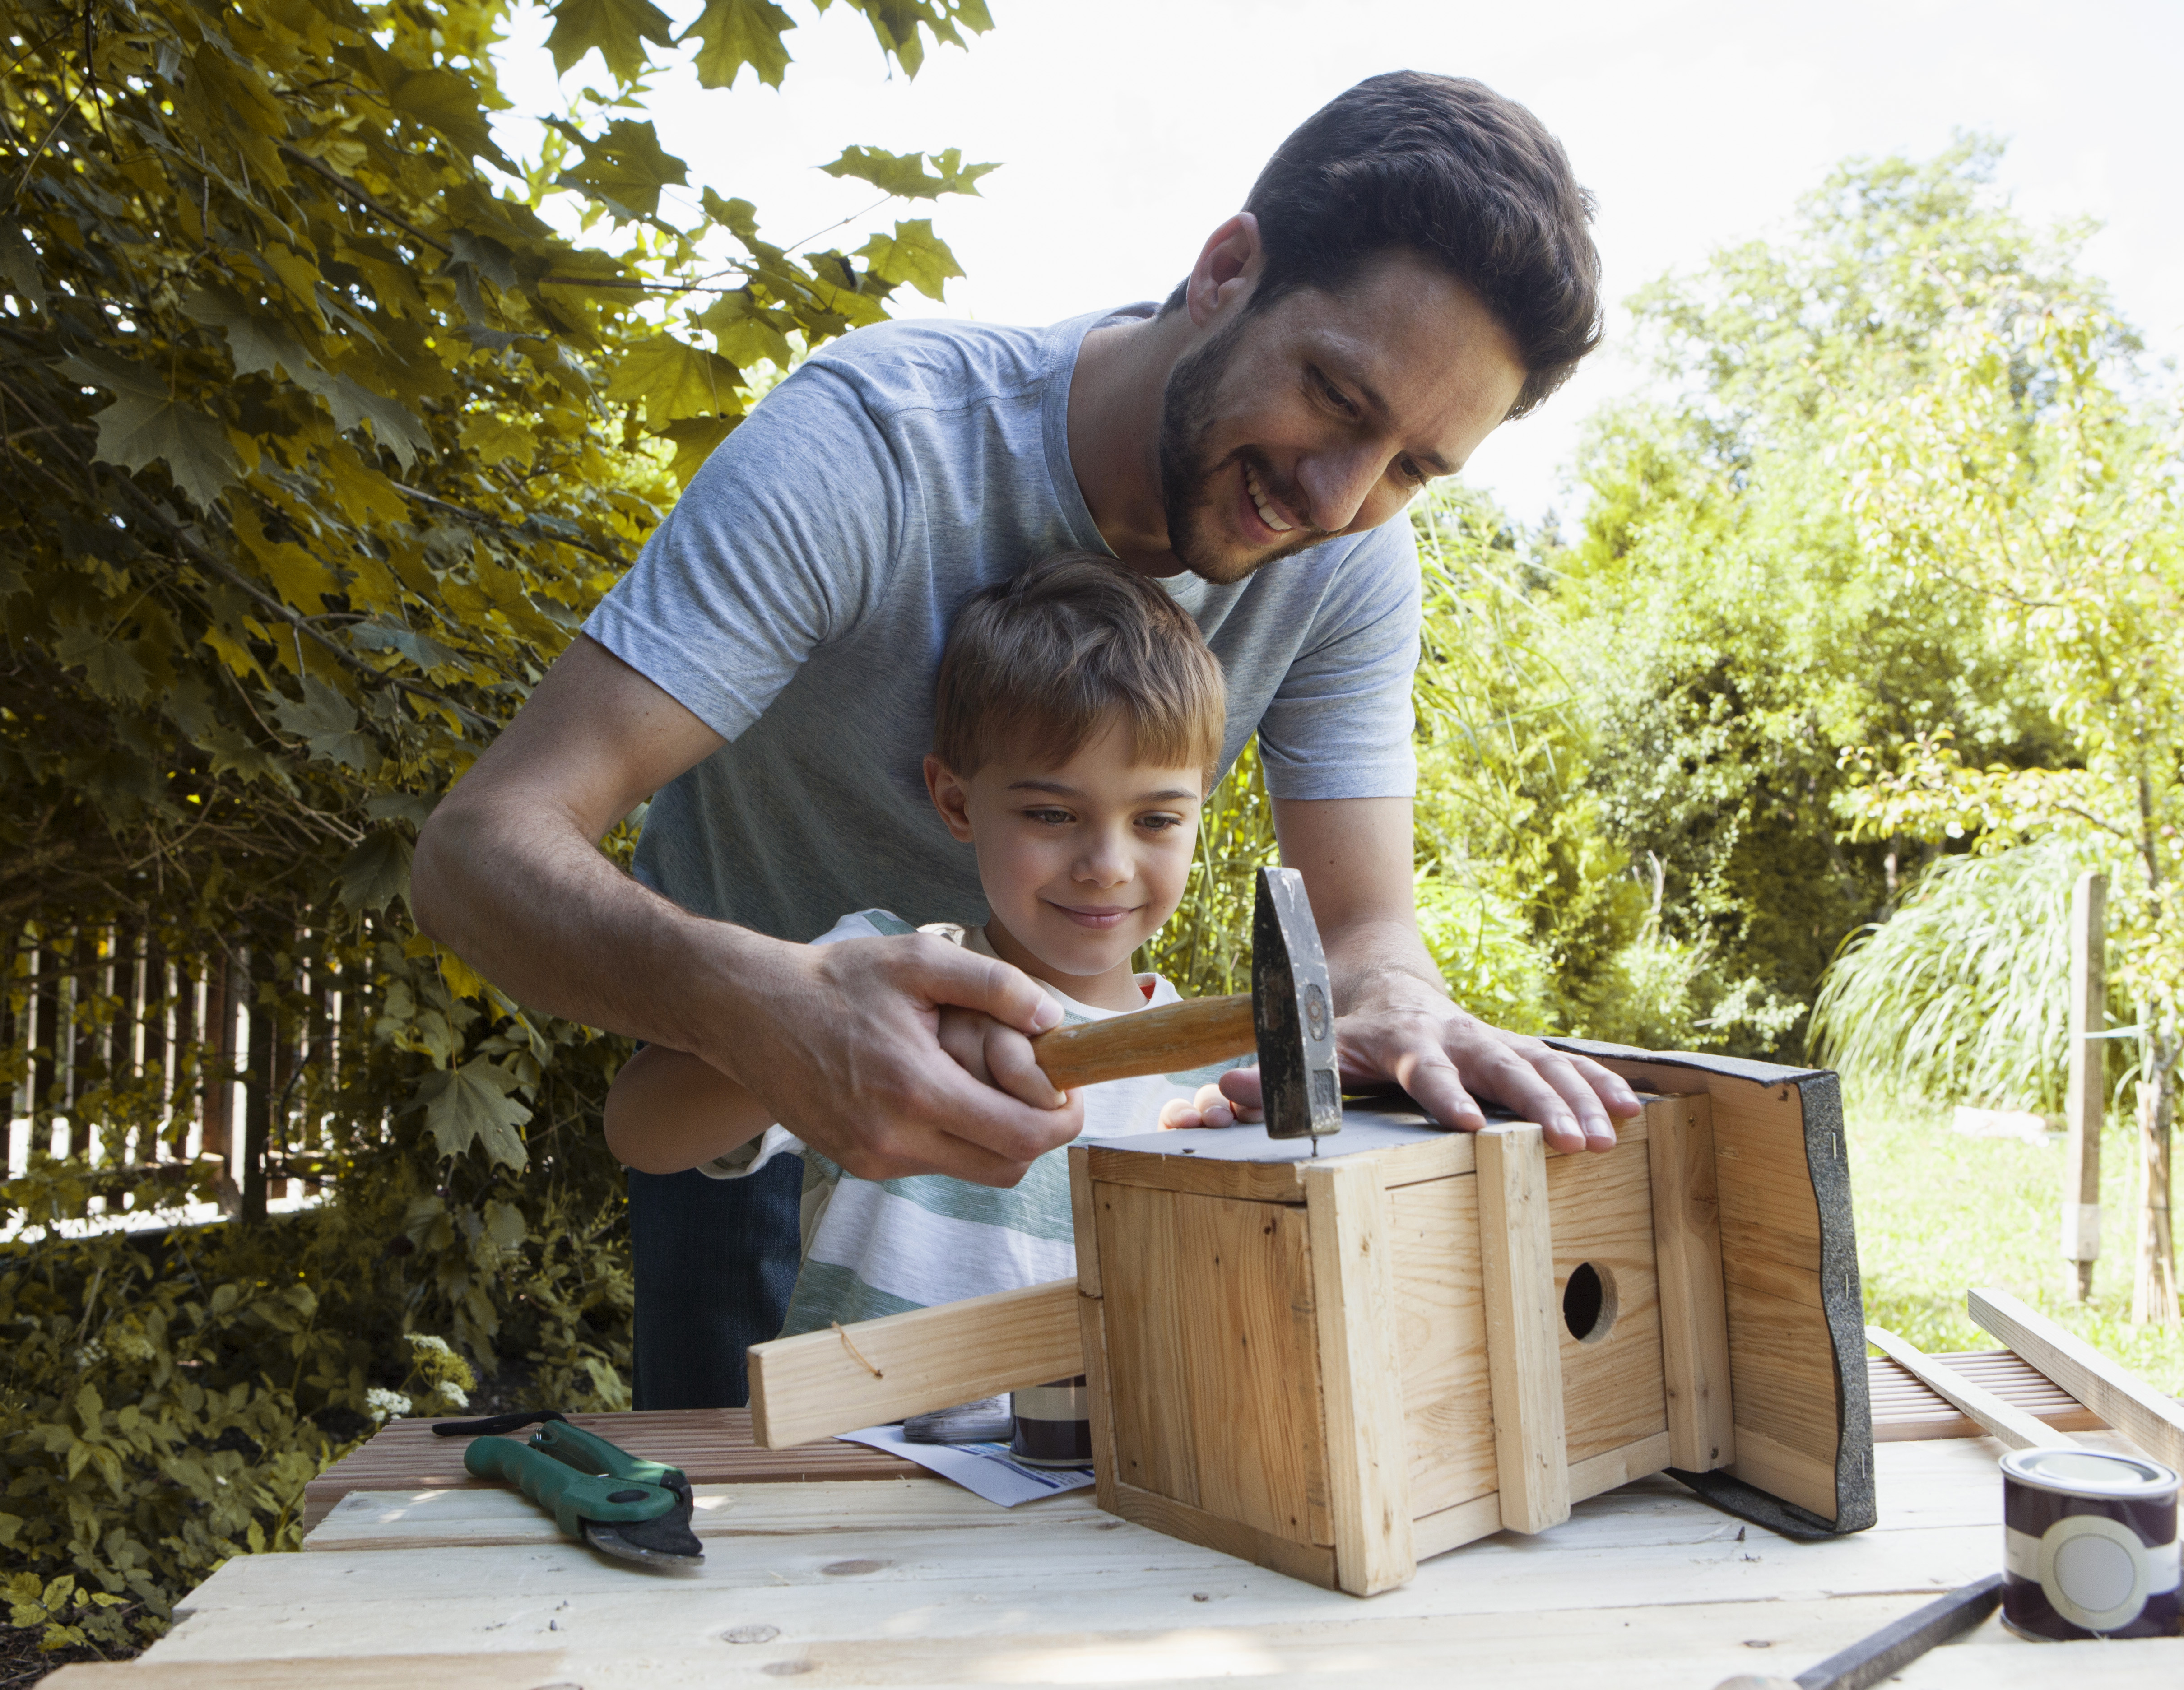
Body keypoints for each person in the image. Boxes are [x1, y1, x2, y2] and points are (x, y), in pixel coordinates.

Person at [410, 70, 1644, 1409]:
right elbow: (480, 852)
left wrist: (1398, 997)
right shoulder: (876, 448)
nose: (1338, 497)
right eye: (1337, 400)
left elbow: (1360, 930)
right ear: (1229, 270)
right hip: (749, 1103)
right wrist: (770, 1011)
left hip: (1072, 1150)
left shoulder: (1351, 561)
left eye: (1412, 466)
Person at [604, 554, 1239, 1333]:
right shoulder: (879, 977)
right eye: (1051, 814)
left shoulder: (1220, 1085)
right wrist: (827, 1035)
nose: (1107, 867)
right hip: (856, 1451)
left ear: (1200, 810)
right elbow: (641, 1130)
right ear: (956, 802)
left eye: (1157, 820)